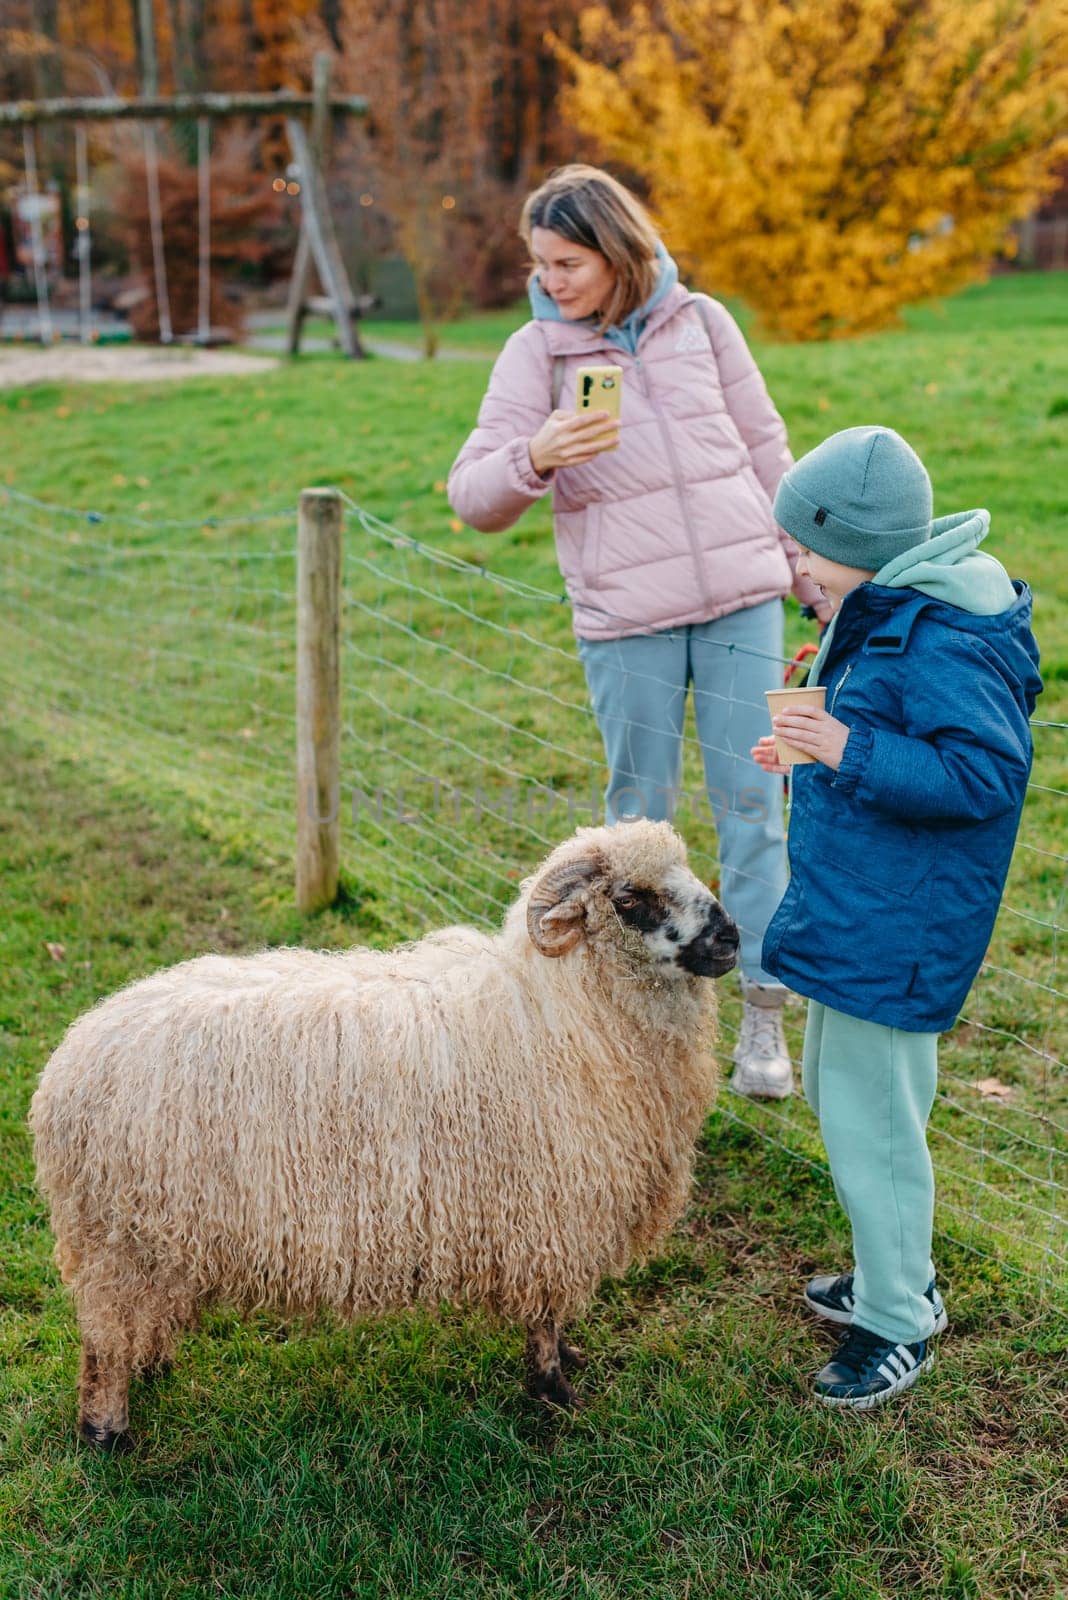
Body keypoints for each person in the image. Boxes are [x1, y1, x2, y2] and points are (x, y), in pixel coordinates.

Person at [448, 163, 828, 1100]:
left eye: (568, 260)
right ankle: (642, 1023)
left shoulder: (702, 324)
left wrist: (805, 571)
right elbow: (471, 496)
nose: (552, 279)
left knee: (754, 812)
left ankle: (763, 1020)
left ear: (618, 247)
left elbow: (766, 447)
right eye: (540, 262)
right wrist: (534, 455)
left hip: (743, 599)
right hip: (627, 623)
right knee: (638, 829)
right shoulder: (536, 355)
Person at [751, 424, 1042, 1408]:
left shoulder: (946, 634)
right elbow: (880, 725)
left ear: (856, 540)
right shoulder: (890, 603)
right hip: (861, 908)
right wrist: (811, 738)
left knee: (875, 1124)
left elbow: (984, 773)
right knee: (846, 1093)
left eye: (803, 543)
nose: (795, 559)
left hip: (903, 927)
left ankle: (896, 1322)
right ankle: (894, 1273)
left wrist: (843, 746)